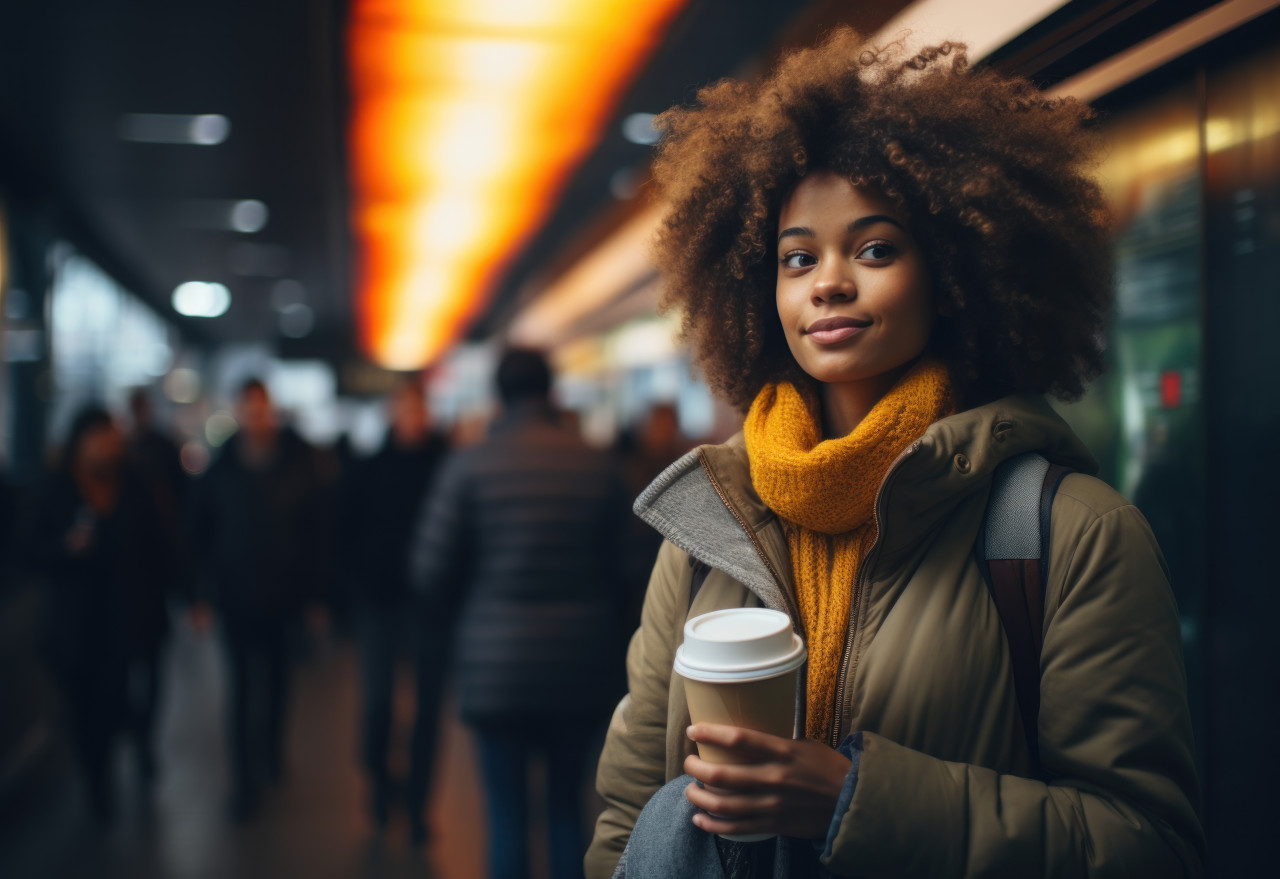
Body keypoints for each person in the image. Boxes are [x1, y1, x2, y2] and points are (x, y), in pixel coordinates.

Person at [586, 29, 1205, 879]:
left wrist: (853, 802)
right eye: (797, 257)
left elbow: (1150, 845)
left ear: (955, 272)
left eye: (875, 248)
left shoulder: (1069, 534)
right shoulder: (705, 532)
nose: (828, 282)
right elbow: (626, 815)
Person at [410, 347, 629, 879]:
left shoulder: (468, 466)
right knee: (564, 811)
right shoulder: (595, 463)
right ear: (552, 392)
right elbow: (631, 569)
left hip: (496, 669)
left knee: (506, 816)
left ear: (497, 396)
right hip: (578, 666)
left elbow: (428, 570)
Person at [188, 378, 330, 820]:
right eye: (249, 409)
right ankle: (244, 780)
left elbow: (315, 535)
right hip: (235, 596)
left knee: (278, 682)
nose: (257, 417)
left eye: (262, 409)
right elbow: (199, 533)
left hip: (283, 596)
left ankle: (270, 750)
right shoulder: (222, 467)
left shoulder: (298, 462)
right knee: (241, 688)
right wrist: (200, 594)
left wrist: (316, 596)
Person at [23, 406, 174, 819]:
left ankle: (118, 763)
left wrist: (182, 589)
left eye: (110, 438)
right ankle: (96, 781)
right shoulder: (55, 489)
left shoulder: (135, 483)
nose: (105, 447)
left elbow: (159, 541)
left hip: (126, 612)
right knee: (83, 707)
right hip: (75, 622)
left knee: (118, 696)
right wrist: (65, 549)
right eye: (97, 438)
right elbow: (30, 549)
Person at [341, 378, 449, 843]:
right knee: (379, 701)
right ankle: (380, 785)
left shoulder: (446, 468)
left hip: (429, 607)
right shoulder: (368, 469)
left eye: (419, 410)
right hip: (379, 603)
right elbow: (345, 531)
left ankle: (418, 804)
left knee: (428, 709)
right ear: (392, 413)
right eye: (406, 410)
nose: (414, 420)